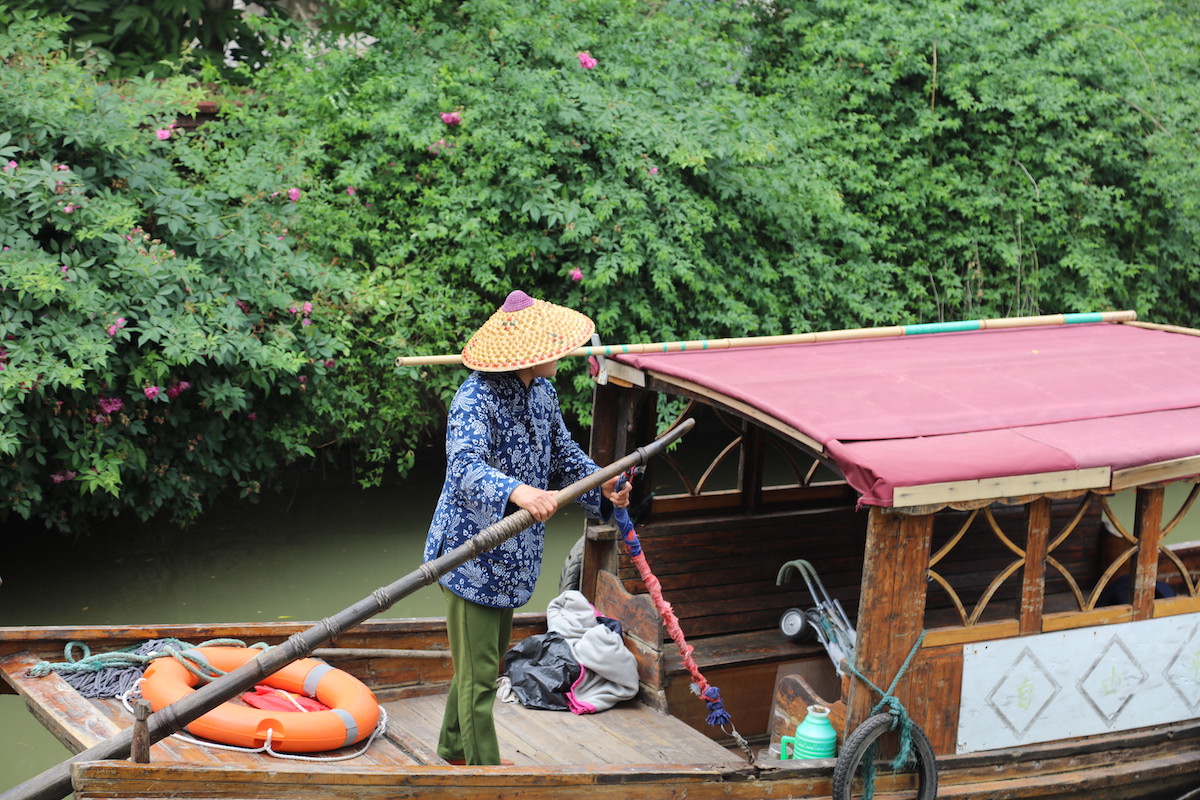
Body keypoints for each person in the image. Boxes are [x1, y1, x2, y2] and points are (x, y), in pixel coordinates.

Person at [422, 289, 631, 766]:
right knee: (479, 678)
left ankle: (453, 750)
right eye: (552, 345)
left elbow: (562, 455)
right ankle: (486, 776)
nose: (561, 352)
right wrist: (519, 491)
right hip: (471, 556)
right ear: (526, 354)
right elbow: (465, 467)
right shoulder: (474, 397)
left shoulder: (542, 393)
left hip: (513, 558)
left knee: (478, 666)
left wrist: (603, 483)